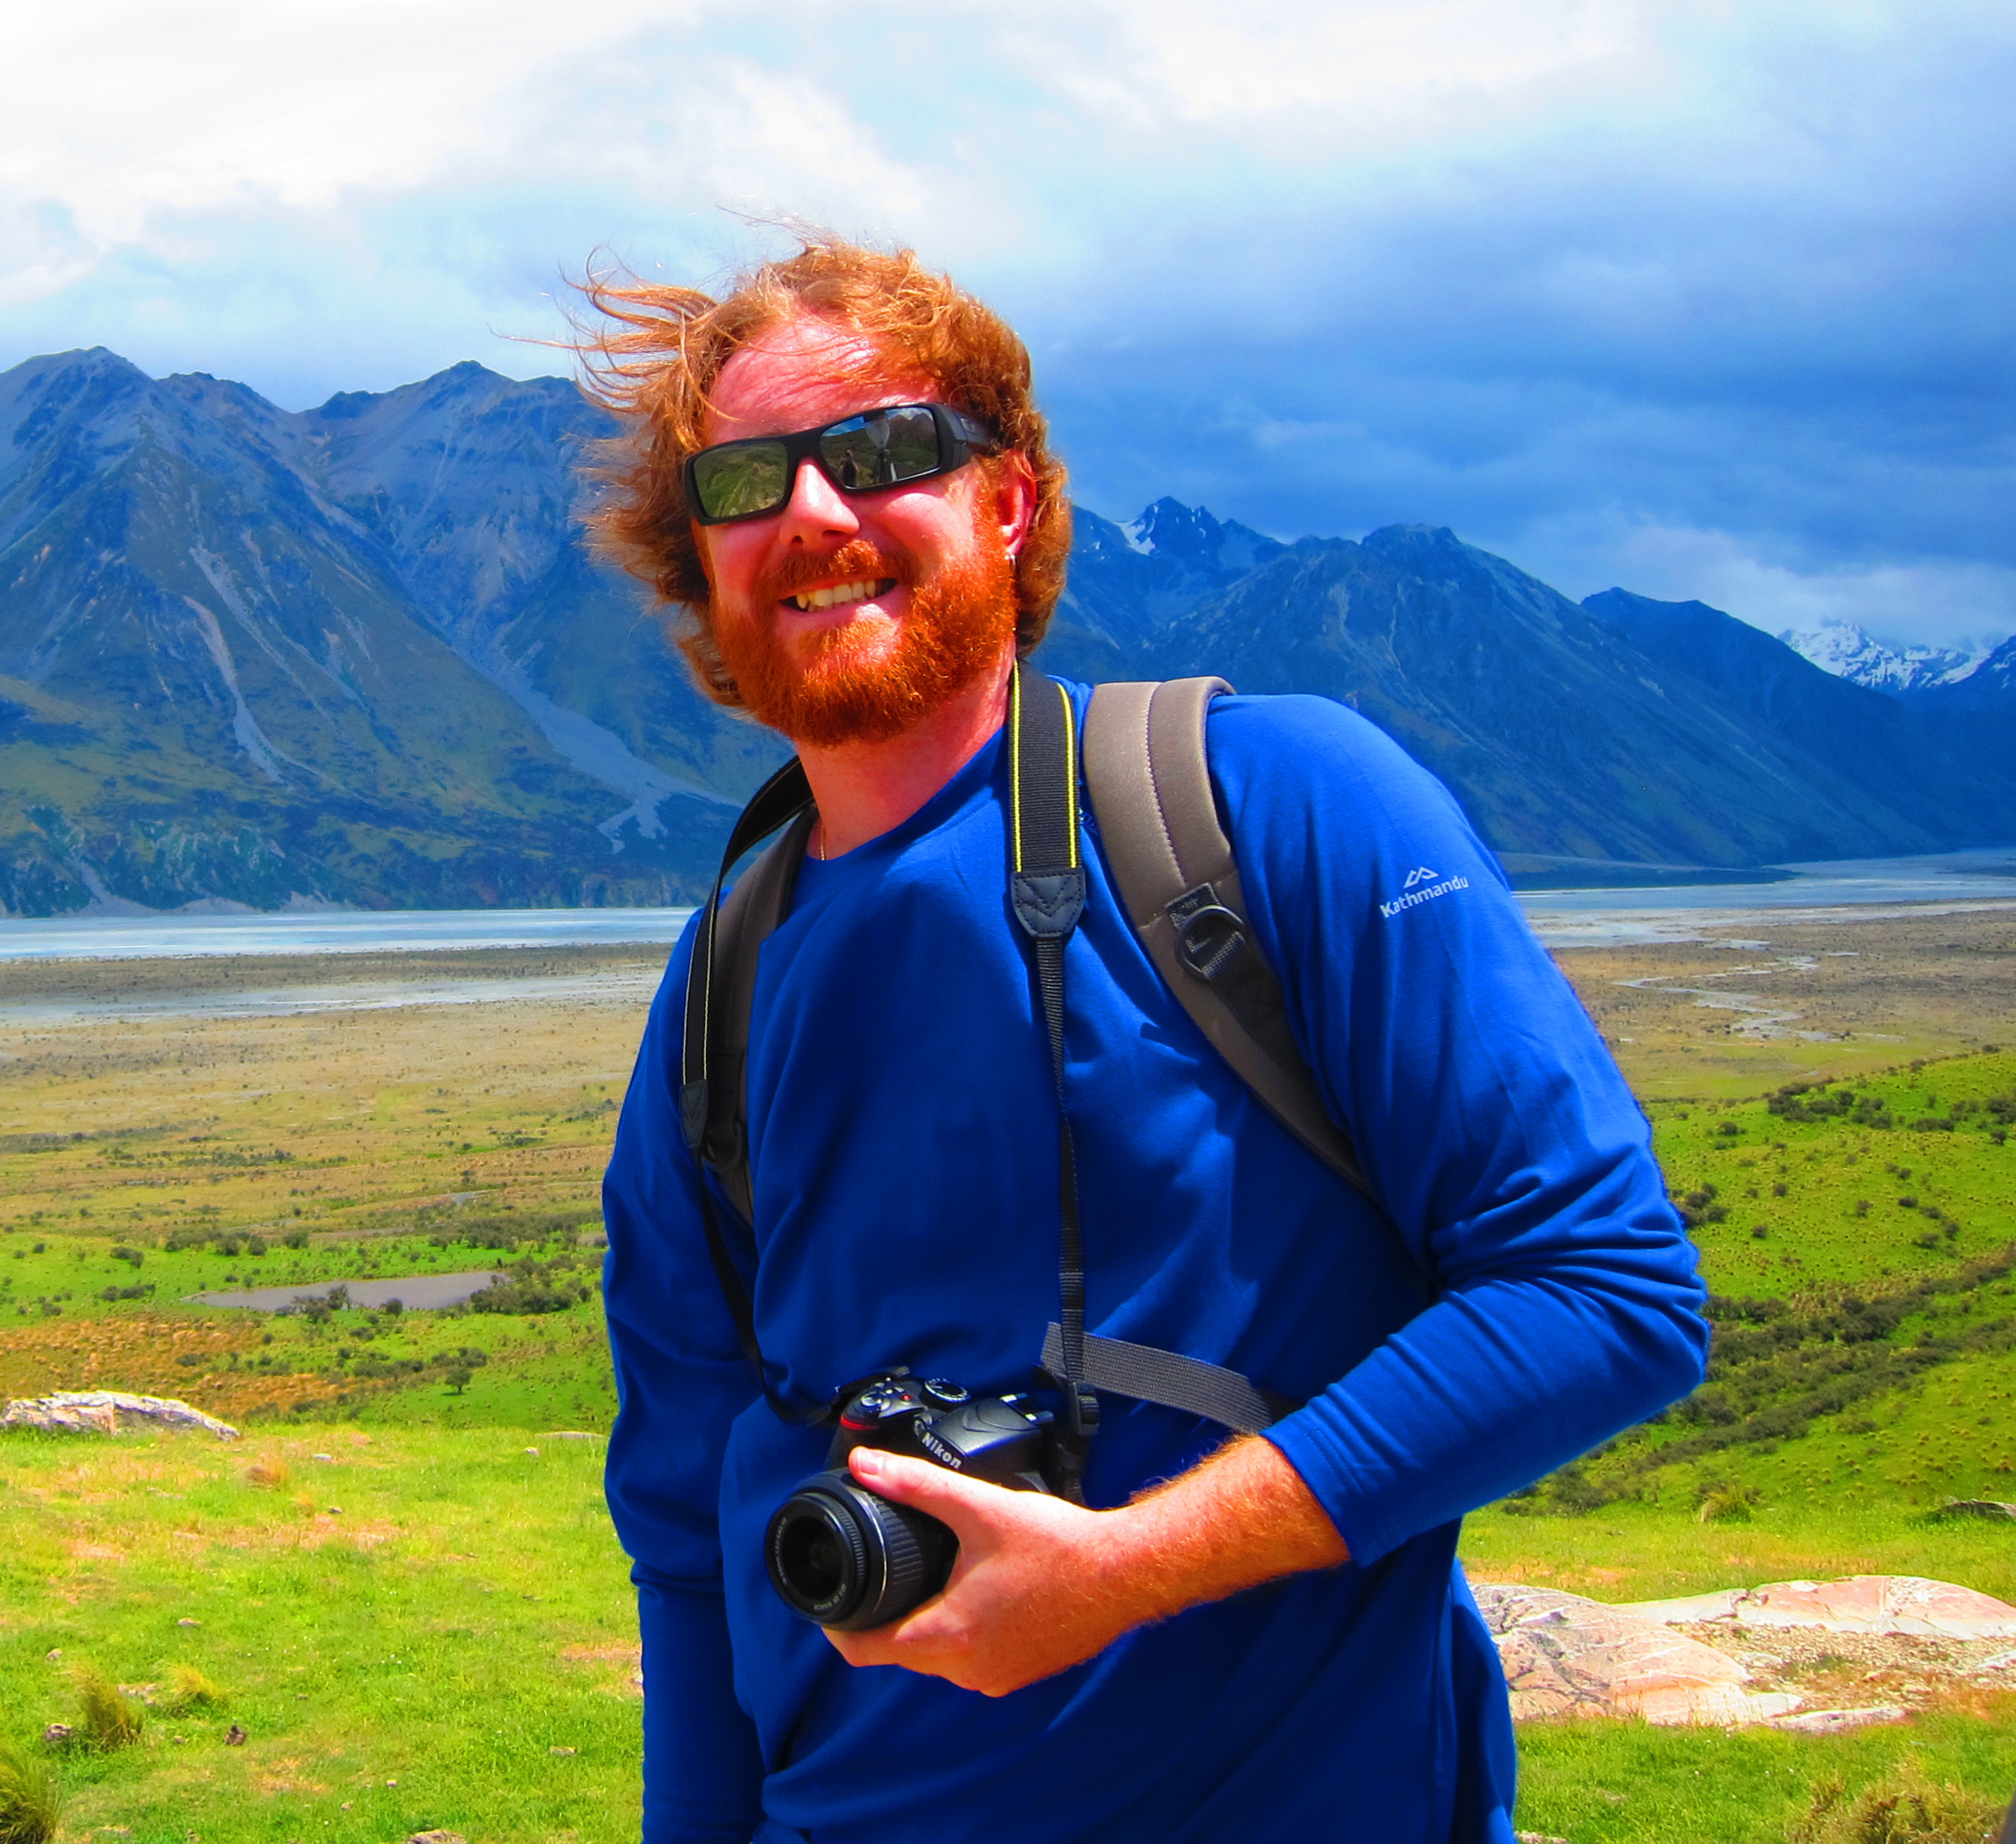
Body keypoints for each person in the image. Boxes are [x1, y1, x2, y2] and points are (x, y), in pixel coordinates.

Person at [577, 238, 1707, 1843]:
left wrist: (1125, 1575)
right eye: (745, 481)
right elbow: (688, 1528)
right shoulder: (719, 987)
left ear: (1014, 505)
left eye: (887, 451)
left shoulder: (1270, 809)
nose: (814, 515)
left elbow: (1604, 1290)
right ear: (700, 560)